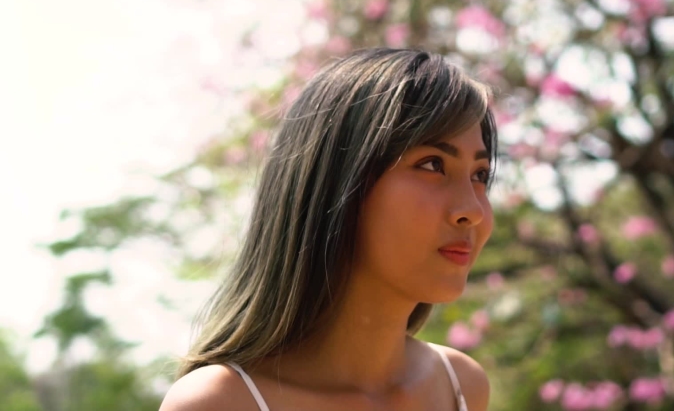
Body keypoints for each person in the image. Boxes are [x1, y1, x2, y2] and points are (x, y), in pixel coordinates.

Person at [159, 48, 497, 411]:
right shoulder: (222, 402)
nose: (473, 211)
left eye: (480, 176)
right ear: (339, 182)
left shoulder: (460, 386)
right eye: (433, 165)